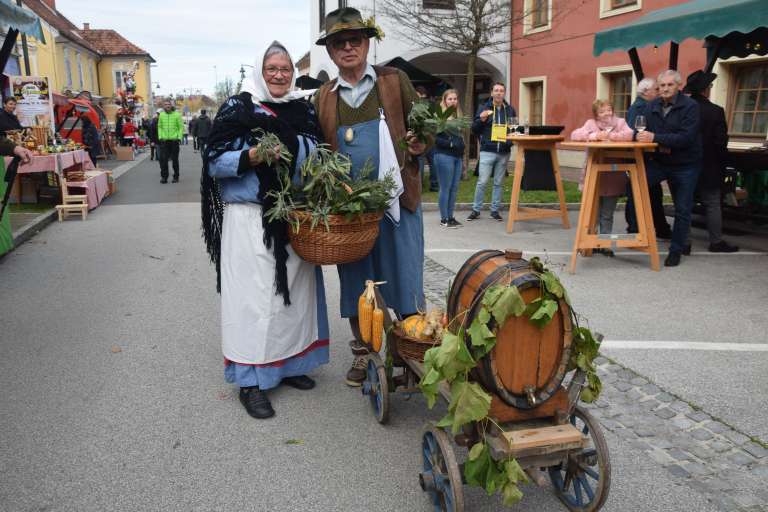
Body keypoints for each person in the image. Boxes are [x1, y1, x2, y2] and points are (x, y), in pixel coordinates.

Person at [202, 41, 329, 420]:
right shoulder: (238, 107)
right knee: (254, 301)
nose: (279, 74)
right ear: (260, 70)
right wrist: (251, 156)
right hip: (250, 218)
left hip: (293, 215)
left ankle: (289, 366)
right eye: (272, 68)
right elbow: (214, 160)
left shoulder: (302, 109)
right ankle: (250, 382)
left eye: (285, 68)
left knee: (294, 298)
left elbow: (318, 150)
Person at [313, 7, 427, 386]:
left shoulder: (394, 81)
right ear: (330, 51)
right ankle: (364, 354)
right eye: (338, 42)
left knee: (404, 274)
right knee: (358, 280)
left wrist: (419, 142)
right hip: (351, 210)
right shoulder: (323, 98)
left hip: (399, 200)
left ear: (367, 43)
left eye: (355, 40)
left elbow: (425, 130)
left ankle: (412, 350)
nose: (348, 47)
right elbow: (320, 152)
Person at [636, 70, 702, 267]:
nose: (665, 88)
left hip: (686, 164)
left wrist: (655, 138)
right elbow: (641, 129)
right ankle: (644, 232)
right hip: (660, 162)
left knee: (682, 209)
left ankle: (676, 250)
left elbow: (685, 138)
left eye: (669, 85)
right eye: (662, 85)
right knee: (636, 186)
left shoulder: (691, 106)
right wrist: (635, 136)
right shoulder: (651, 105)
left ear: (678, 86)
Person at [683, 70, 739, 253]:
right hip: (709, 165)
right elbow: (720, 143)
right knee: (713, 203)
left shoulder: (682, 109)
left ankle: (684, 242)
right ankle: (716, 242)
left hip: (685, 164)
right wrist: (723, 164)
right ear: (706, 90)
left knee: (685, 203)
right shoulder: (715, 111)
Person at [571, 99, 634, 256]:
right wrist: (594, 135)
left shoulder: (620, 122)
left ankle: (605, 243)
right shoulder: (590, 123)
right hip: (594, 175)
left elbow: (630, 134)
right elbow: (575, 135)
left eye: (609, 110)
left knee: (607, 212)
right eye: (602, 111)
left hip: (613, 175)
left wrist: (612, 136)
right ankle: (590, 242)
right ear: (596, 114)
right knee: (592, 211)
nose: (606, 113)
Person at [625, 78, 673, 239]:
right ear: (646, 92)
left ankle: (652, 227)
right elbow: (635, 133)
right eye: (656, 89)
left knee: (648, 191)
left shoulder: (639, 105)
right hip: (643, 157)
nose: (659, 92)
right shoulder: (642, 107)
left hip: (643, 157)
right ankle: (637, 227)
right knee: (641, 191)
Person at [467, 83, 515, 222]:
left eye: (501, 91)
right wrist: (481, 120)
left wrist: (509, 143)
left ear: (504, 93)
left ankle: (495, 211)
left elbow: (514, 129)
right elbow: (474, 129)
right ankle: (476, 210)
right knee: (482, 182)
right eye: (496, 91)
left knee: (499, 183)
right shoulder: (484, 108)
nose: (499, 93)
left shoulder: (510, 110)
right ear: (492, 93)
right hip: (488, 151)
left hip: (504, 152)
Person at [433, 89, 465, 228]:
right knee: (445, 188)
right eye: (450, 99)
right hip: (444, 156)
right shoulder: (439, 117)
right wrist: (451, 144)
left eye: (455, 99)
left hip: (457, 157)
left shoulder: (458, 116)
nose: (453, 101)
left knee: (454, 188)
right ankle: (444, 218)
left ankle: (451, 217)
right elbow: (435, 139)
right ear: (444, 101)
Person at [157, 100, 183, 183]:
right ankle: (164, 177)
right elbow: (159, 127)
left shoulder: (177, 115)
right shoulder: (161, 115)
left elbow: (180, 127)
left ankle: (176, 176)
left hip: (174, 141)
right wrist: (160, 137)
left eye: (169, 104)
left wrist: (179, 138)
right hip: (164, 141)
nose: (167, 106)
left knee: (175, 160)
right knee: (163, 160)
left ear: (171, 106)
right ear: (163, 106)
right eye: (165, 104)